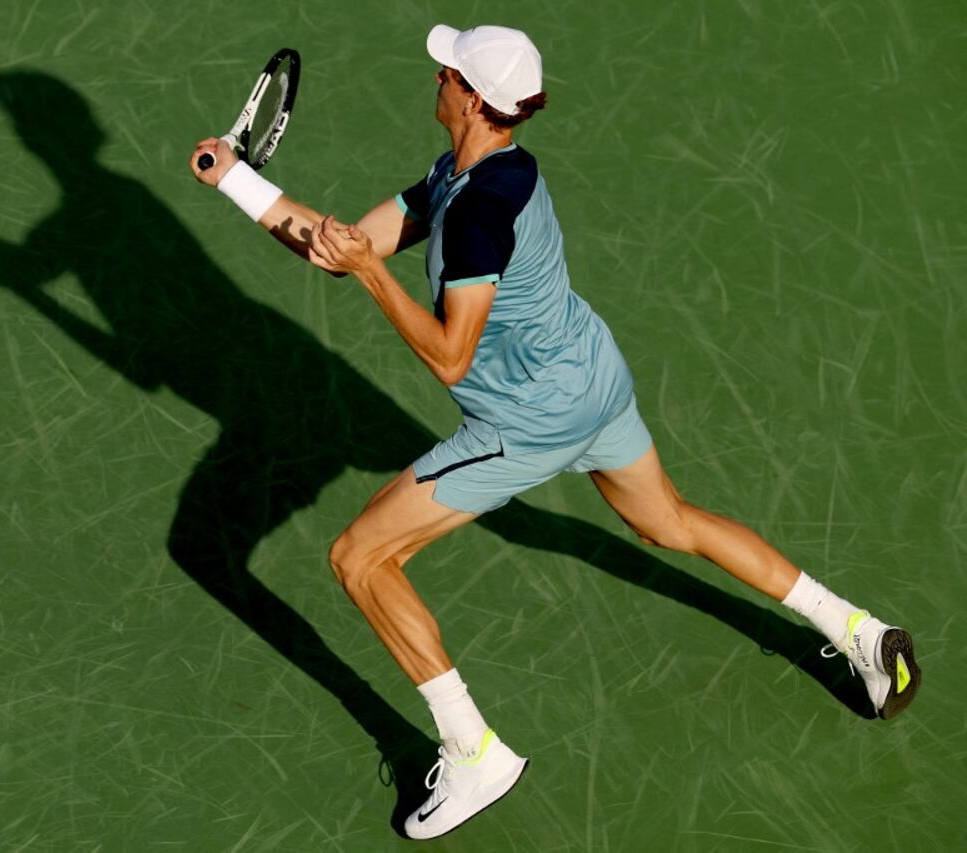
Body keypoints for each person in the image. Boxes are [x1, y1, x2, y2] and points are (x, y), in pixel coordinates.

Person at [190, 23, 922, 840]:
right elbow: (343, 248)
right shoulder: (480, 172)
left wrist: (370, 275)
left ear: (470, 98)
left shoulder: (476, 217)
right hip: (593, 378)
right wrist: (240, 183)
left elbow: (451, 359)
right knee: (669, 522)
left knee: (359, 558)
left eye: (448, 70)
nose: (435, 73)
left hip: (527, 422)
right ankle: (858, 629)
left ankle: (473, 751)